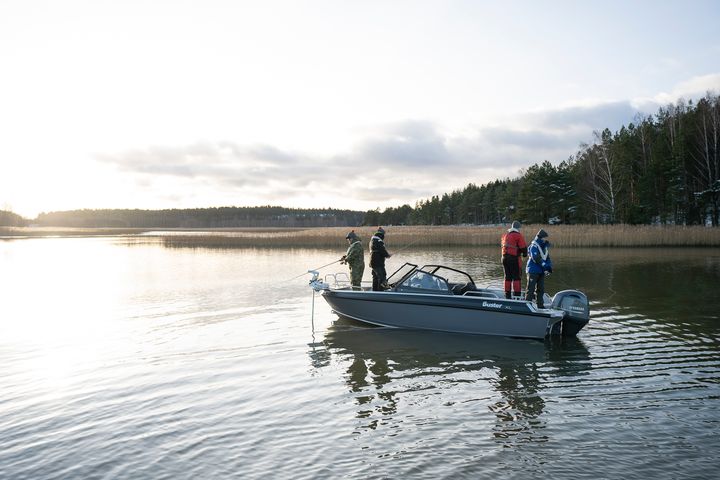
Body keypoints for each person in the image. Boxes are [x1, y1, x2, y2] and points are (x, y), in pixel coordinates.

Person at [525, 228, 553, 308]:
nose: (545, 239)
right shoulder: (534, 245)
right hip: (532, 270)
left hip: (541, 271)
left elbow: (547, 258)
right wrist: (544, 265)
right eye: (544, 238)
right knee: (531, 289)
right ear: (541, 237)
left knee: (541, 289)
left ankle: (540, 306)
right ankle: (527, 305)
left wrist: (549, 267)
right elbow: (535, 258)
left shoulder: (544, 247)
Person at [501, 220, 528, 299]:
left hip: (504, 258)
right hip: (513, 259)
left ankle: (507, 295)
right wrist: (525, 254)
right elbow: (523, 247)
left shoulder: (505, 235)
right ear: (518, 228)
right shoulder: (518, 235)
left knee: (507, 277)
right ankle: (517, 296)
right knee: (516, 277)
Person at [369, 226, 392, 291]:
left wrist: (386, 255)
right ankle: (380, 292)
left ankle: (375, 291)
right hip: (378, 263)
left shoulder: (372, 240)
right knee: (382, 277)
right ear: (381, 234)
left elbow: (378, 250)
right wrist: (387, 255)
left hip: (373, 262)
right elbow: (382, 250)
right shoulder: (378, 240)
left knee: (375, 277)